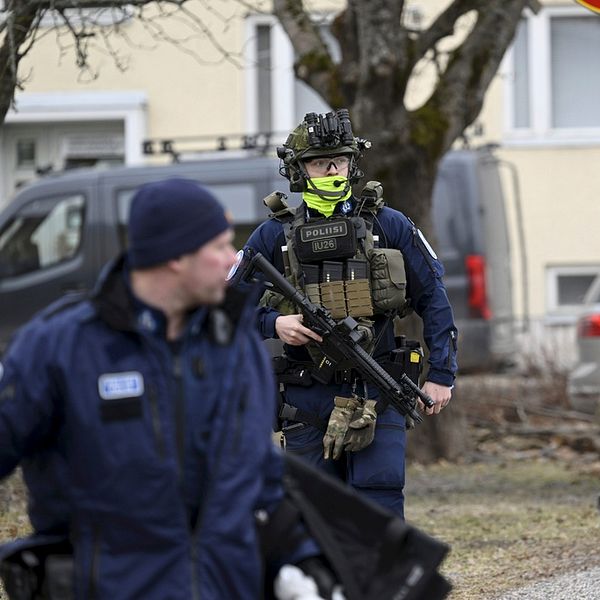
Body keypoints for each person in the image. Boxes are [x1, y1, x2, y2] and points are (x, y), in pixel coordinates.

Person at [0, 178, 333, 600]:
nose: (233, 259)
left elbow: (262, 478)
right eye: (218, 247)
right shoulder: (61, 346)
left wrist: (301, 562)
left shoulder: (235, 345)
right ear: (175, 256)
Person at [245, 109, 458, 518]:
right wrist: (274, 323)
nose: (330, 170)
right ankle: (324, 584)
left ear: (352, 163)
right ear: (298, 170)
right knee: (311, 511)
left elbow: (434, 298)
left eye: (338, 161)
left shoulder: (389, 225)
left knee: (378, 500)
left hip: (378, 384)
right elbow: (222, 308)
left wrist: (442, 375)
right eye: (318, 162)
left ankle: (382, 582)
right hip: (306, 393)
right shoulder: (273, 235)